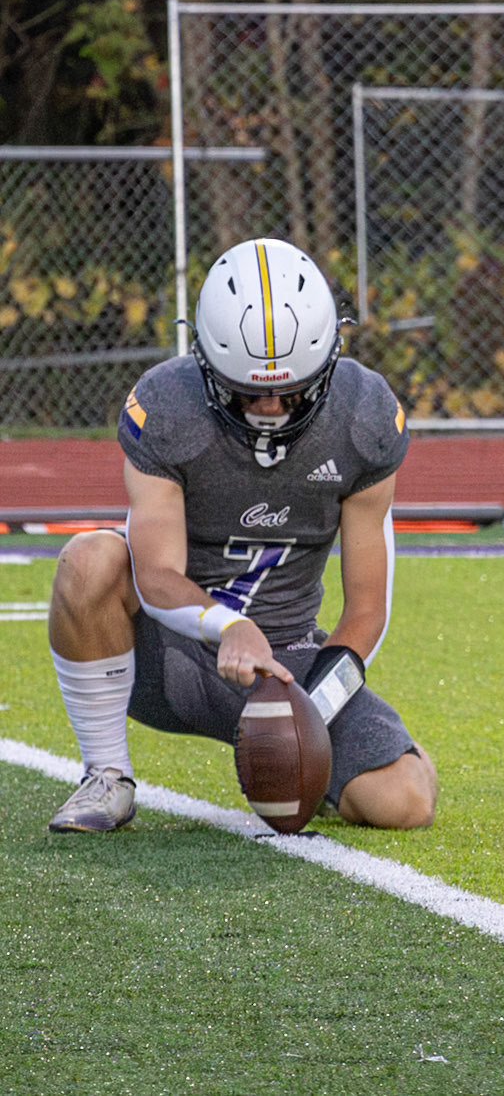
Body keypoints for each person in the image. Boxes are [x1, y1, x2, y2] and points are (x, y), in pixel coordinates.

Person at [47, 237, 437, 833]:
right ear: (205, 363)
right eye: (247, 388)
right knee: (90, 559)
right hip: (171, 652)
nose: (270, 407)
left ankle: (343, 760)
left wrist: (301, 714)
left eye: (290, 388)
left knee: (404, 803)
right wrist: (230, 627)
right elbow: (152, 577)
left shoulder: (363, 418)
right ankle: (106, 774)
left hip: (290, 662)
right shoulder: (169, 406)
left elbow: (368, 607)